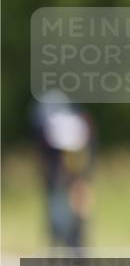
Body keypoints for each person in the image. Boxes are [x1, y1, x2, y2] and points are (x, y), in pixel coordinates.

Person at [32, 90, 96, 252]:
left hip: (63, 174)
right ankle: (75, 247)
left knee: (60, 210)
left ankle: (64, 245)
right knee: (75, 212)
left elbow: (47, 153)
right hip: (76, 173)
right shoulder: (79, 120)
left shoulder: (50, 124)